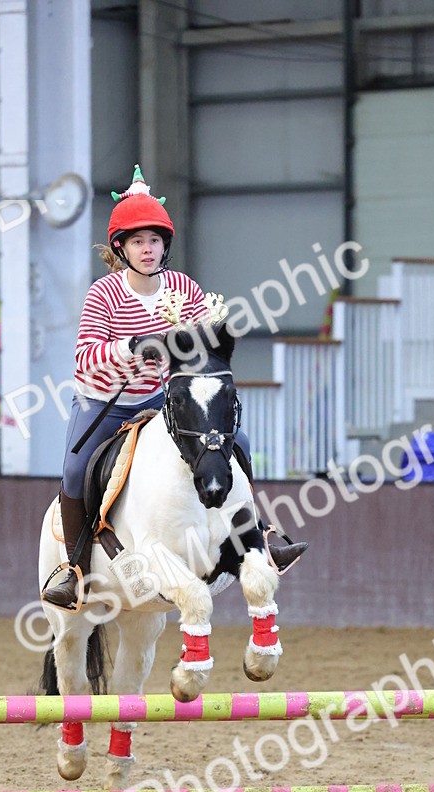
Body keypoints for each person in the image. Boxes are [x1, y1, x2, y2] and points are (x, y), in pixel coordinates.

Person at [42, 165, 307, 610]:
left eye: (155, 241)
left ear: (165, 246)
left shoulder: (184, 287)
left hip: (164, 400)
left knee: (236, 440)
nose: (148, 249)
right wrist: (133, 348)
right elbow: (85, 359)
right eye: (138, 242)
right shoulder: (102, 294)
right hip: (109, 404)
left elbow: (204, 345)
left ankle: (257, 534)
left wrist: (213, 336)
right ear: (121, 248)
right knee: (74, 470)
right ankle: (75, 569)